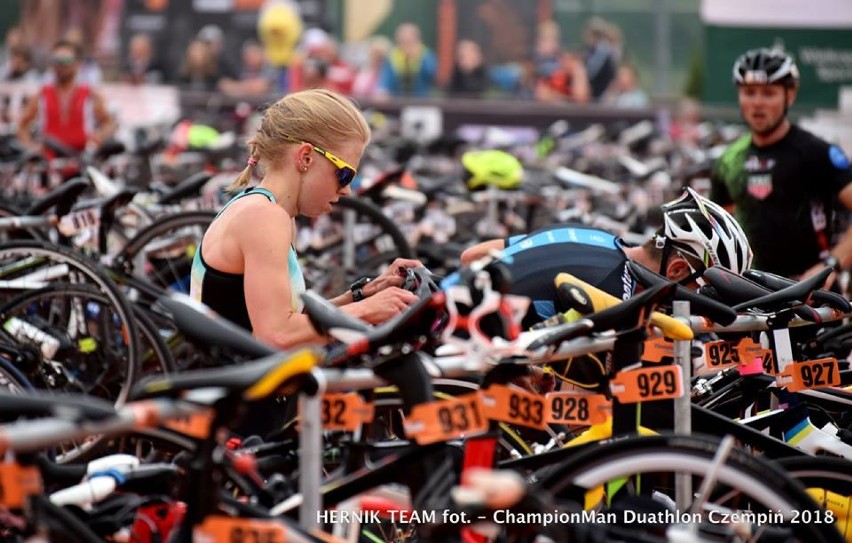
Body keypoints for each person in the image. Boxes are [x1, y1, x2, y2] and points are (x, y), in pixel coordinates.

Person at [190, 89, 423, 349]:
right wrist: (368, 310)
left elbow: (291, 319)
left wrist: (358, 296)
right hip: (234, 386)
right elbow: (276, 335)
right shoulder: (264, 217)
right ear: (305, 157)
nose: (347, 190)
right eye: (345, 175)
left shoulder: (267, 209)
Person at [454, 188, 753, 330]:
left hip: (443, 303)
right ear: (676, 269)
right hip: (462, 345)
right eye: (700, 288)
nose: (698, 298)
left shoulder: (591, 235)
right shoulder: (612, 293)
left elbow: (471, 255)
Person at [710, 48, 852, 284]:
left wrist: (831, 264)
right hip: (750, 297)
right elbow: (715, 228)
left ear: (790, 94)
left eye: (768, 93)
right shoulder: (728, 160)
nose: (757, 103)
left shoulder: (817, 153)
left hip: (811, 297)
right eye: (749, 92)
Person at [16, 39, 115, 154]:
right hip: (48, 163)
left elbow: (109, 123)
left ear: (77, 64)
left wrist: (99, 137)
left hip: (81, 160)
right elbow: (22, 125)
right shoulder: (41, 95)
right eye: (56, 61)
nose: (60, 65)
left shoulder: (90, 94)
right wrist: (31, 147)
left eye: (66, 61)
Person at [378, 23, 437, 97]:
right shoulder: (393, 56)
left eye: (409, 41)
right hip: (396, 102)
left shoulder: (426, 55)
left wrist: (417, 59)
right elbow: (385, 79)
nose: (406, 46)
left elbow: (431, 75)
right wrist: (382, 90)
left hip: (421, 102)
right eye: (403, 42)